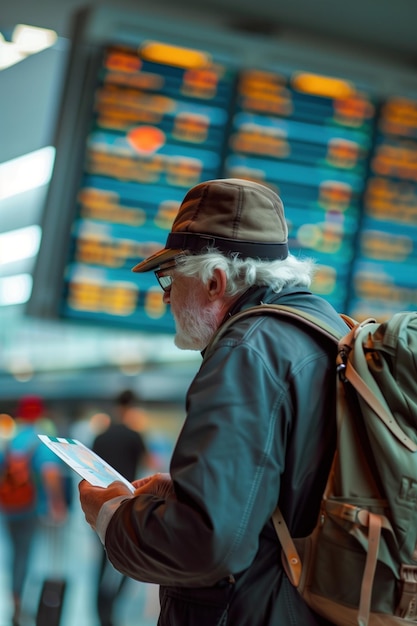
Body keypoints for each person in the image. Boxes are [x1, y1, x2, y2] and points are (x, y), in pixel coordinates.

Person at [79, 178, 349, 625]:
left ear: (214, 280)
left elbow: (206, 545)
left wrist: (111, 516)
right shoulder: (325, 331)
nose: (165, 295)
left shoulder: (245, 352)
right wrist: (187, 492)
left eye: (170, 277)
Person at [0, 395, 68, 626]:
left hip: (9, 507)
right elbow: (50, 473)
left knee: (14, 553)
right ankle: (21, 602)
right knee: (26, 554)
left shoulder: (12, 439)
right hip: (31, 507)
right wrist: (57, 502)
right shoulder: (40, 441)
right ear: (40, 414)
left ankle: (15, 598)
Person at [91, 389, 149, 626]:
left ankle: (100, 605)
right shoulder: (135, 436)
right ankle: (113, 600)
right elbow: (149, 463)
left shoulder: (101, 436)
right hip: (126, 503)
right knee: (126, 554)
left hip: (100, 503)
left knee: (101, 557)